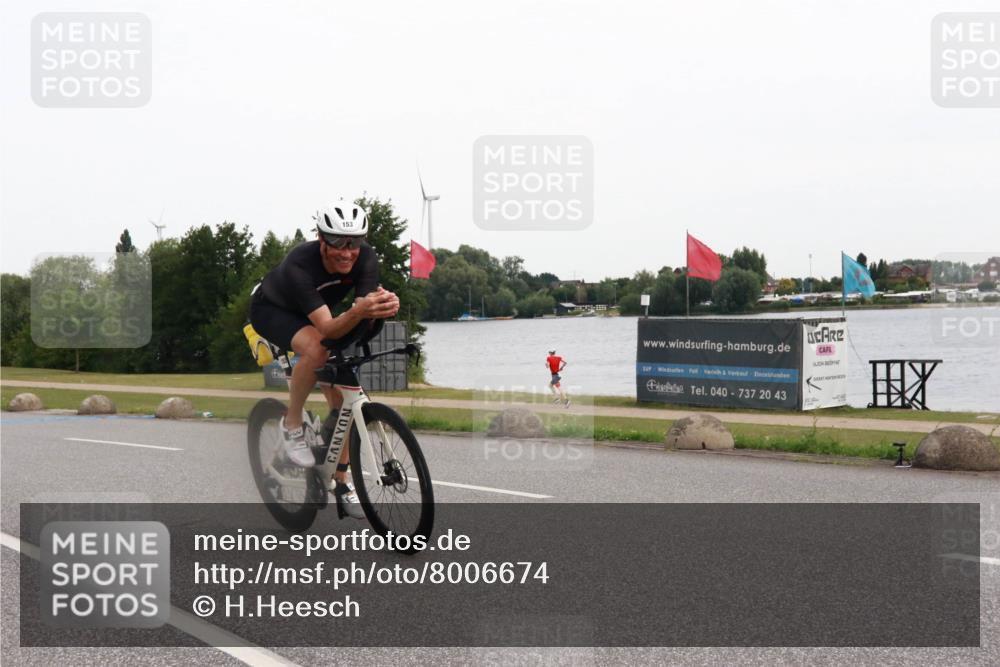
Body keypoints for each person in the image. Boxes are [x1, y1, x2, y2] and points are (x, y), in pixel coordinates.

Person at [249, 202, 400, 518]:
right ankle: (291, 423)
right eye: (337, 243)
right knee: (317, 349)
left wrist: (381, 308)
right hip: (272, 310)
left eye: (354, 242)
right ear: (321, 238)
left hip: (317, 315)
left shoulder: (367, 258)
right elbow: (329, 328)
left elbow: (362, 313)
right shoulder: (299, 265)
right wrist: (361, 311)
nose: (347, 252)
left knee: (344, 398)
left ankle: (341, 481)